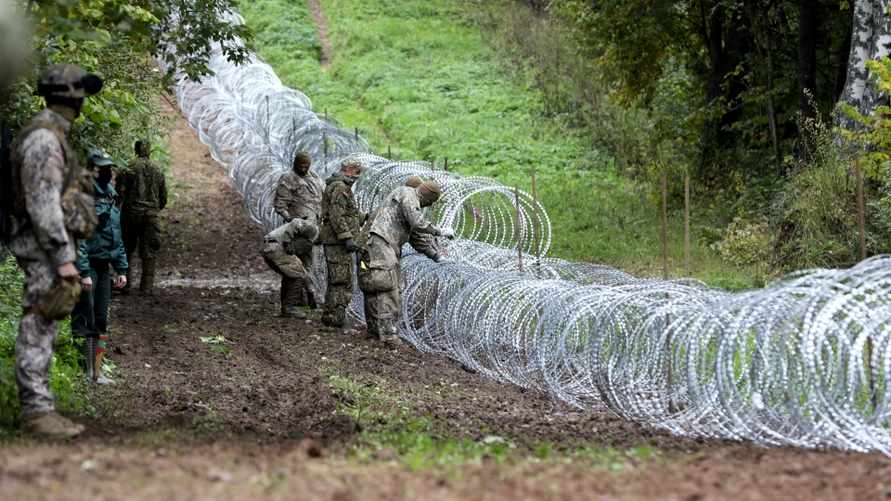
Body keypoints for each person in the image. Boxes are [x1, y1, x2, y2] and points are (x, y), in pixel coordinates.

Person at [7, 64, 103, 437]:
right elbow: (43, 204)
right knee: (38, 320)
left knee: (44, 320)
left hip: (44, 243)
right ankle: (36, 410)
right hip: (42, 245)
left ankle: (40, 407)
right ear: (74, 98)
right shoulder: (45, 140)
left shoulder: (50, 135)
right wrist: (63, 258)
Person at [357, 180, 454, 344]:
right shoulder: (407, 193)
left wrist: (437, 257)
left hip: (367, 246)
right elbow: (417, 221)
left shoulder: (401, 205)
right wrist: (439, 231)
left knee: (372, 285)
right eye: (430, 202)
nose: (428, 206)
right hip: (380, 244)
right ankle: (388, 334)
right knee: (388, 286)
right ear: (427, 197)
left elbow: (417, 238)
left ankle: (374, 332)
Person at [72, 149, 127, 384]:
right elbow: (79, 239)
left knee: (101, 318)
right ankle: (83, 371)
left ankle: (97, 371)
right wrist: (83, 272)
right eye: (102, 168)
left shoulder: (110, 195)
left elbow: (116, 233)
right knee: (84, 317)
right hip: (87, 268)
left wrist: (121, 268)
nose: (107, 172)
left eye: (108, 168)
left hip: (104, 266)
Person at [272, 151, 324, 310]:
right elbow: (280, 205)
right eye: (300, 165)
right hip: (296, 231)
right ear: (295, 163)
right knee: (293, 267)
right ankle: (291, 302)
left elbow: (321, 198)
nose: (303, 168)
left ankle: (304, 300)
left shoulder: (314, 177)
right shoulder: (288, 178)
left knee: (308, 265)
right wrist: (291, 220)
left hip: (312, 229)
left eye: (306, 166)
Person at [319, 161, 365, 328]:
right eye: (356, 173)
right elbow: (336, 215)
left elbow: (348, 213)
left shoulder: (340, 186)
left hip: (336, 241)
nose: (357, 177)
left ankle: (331, 315)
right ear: (347, 170)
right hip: (337, 243)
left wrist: (364, 217)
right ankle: (335, 318)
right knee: (341, 280)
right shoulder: (340, 187)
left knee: (337, 279)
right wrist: (347, 238)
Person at [119, 139, 166, 295]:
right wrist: (153, 208)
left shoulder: (128, 167)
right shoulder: (158, 169)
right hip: (151, 216)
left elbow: (120, 192)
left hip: (130, 214)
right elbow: (163, 197)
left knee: (127, 249)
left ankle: (125, 284)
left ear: (136, 150)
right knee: (149, 252)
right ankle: (146, 288)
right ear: (149, 151)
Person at [261, 218, 320, 318]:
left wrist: (310, 292)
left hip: (268, 247)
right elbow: (295, 222)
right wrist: (287, 242)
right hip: (276, 246)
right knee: (296, 277)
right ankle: (290, 308)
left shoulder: (309, 246)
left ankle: (287, 308)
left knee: (291, 276)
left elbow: (306, 271)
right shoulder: (313, 229)